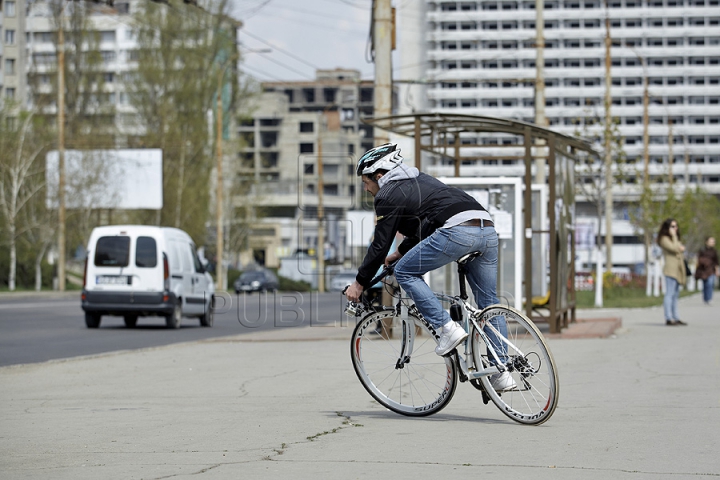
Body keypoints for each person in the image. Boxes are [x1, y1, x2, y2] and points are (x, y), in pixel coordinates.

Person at [345, 143, 515, 392]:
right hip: (486, 228)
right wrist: (399, 253)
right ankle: (502, 371)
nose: (365, 187)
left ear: (379, 176)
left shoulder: (387, 194)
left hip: (457, 230)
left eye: (365, 181)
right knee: (488, 301)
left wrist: (359, 283)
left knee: (404, 272)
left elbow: (378, 245)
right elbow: (424, 227)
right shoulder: (422, 181)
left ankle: (447, 328)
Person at [657, 218, 687, 326]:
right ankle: (668, 318)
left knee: (675, 295)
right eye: (673, 226)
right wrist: (674, 237)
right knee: (669, 294)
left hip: (678, 269)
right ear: (667, 228)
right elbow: (675, 248)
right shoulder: (664, 239)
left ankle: (676, 317)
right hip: (671, 270)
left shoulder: (675, 238)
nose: (675, 229)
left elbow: (680, 248)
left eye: (676, 226)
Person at [695, 236, 719, 305]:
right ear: (706, 242)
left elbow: (716, 262)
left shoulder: (714, 251)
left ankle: (709, 298)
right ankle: (705, 298)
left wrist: (717, 270)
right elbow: (698, 259)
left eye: (713, 241)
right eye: (711, 241)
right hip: (703, 270)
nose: (712, 243)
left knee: (710, 284)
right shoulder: (702, 250)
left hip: (711, 270)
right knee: (705, 284)